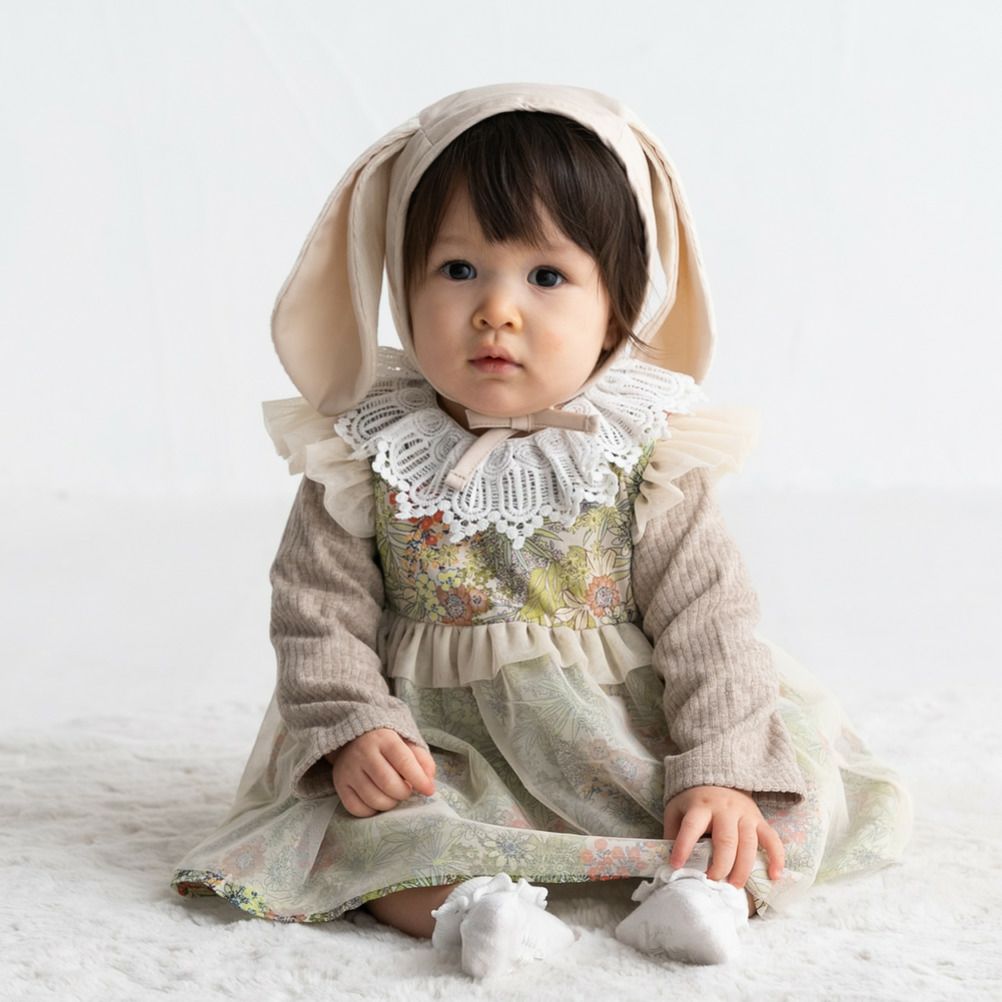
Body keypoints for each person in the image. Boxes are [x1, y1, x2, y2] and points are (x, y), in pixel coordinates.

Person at [171, 83, 912, 978]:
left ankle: (698, 893)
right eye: (458, 270)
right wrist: (352, 725)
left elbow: (709, 618)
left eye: (547, 277)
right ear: (401, 286)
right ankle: (471, 907)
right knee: (367, 829)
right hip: (432, 740)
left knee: (747, 816)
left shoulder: (642, 451)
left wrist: (717, 764)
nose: (498, 309)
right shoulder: (369, 448)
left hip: (612, 730)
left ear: (617, 311)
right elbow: (314, 609)